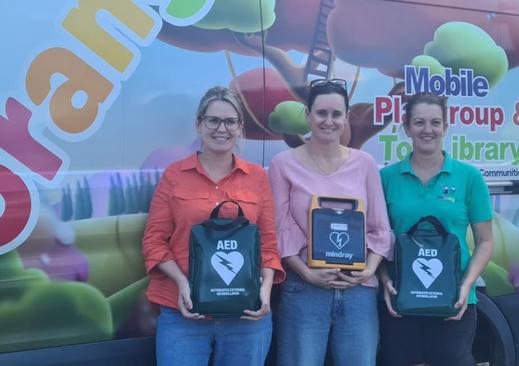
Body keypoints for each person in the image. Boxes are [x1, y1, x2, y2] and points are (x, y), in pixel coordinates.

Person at [142, 86, 285, 366]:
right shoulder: (175, 175)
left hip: (246, 316)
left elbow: (268, 244)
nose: (222, 129)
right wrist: (183, 283)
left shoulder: (257, 177)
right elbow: (154, 241)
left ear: (240, 127)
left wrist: (265, 290)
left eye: (231, 121)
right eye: (213, 120)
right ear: (199, 124)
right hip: (183, 312)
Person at [268, 79, 393, 366]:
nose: (329, 121)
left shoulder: (364, 164)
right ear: (308, 116)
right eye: (321, 113)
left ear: (346, 117)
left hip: (357, 291)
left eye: (336, 114)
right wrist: (306, 273)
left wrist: (368, 271)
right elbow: (280, 230)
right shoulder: (283, 164)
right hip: (304, 290)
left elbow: (379, 228)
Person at [378, 93, 494, 366]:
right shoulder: (386, 178)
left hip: (453, 303)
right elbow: (376, 239)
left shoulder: (469, 177)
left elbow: (485, 242)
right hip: (401, 302)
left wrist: (466, 286)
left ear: (445, 126)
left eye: (435, 122)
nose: (427, 130)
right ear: (406, 127)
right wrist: (384, 281)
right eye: (419, 122)